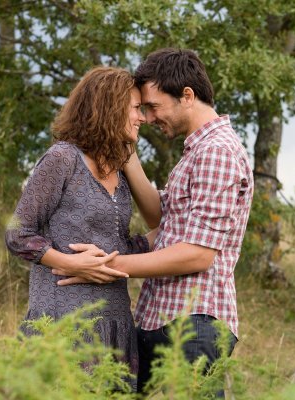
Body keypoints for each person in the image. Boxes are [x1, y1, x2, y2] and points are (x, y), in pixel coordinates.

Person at [56, 48, 254, 396]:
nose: (147, 117)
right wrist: (128, 155)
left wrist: (107, 265)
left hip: (193, 324)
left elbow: (197, 254)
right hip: (162, 319)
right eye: (142, 109)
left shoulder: (217, 152)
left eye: (154, 106)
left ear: (187, 96)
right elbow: (161, 217)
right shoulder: (197, 152)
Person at [5, 66, 155, 389]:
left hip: (116, 327)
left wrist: (171, 232)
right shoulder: (63, 159)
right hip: (64, 324)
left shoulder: (120, 172)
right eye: (135, 108)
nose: (141, 117)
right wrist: (71, 263)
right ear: (109, 108)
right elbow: (17, 234)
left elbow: (119, 245)